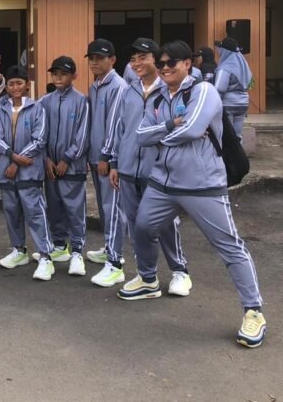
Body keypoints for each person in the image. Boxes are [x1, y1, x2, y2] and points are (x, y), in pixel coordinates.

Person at [120, 40, 266, 348]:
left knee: (229, 246)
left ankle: (253, 311)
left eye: (172, 62)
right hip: (162, 183)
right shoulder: (159, 97)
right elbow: (141, 136)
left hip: (203, 185)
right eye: (161, 64)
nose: (165, 68)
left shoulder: (204, 91)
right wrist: (170, 125)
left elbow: (193, 128)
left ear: (188, 63)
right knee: (142, 227)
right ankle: (148, 279)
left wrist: (164, 135)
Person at [105, 39, 191, 297]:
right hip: (128, 169)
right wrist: (114, 162)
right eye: (133, 59)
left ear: (157, 59)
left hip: (159, 170)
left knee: (165, 223)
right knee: (136, 225)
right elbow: (119, 128)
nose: (136, 64)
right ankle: (147, 276)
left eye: (143, 57)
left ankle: (180, 271)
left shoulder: (170, 90)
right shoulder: (128, 90)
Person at [0, 66, 54, 281]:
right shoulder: (1, 110)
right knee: (11, 211)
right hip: (6, 170)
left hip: (30, 170)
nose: (15, 87)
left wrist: (18, 162)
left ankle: (45, 256)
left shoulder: (37, 108)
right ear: (7, 87)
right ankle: (18, 250)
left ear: (27, 85)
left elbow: (40, 139)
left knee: (35, 212)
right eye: (11, 84)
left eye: (19, 83)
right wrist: (13, 157)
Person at [37, 56, 90, 276]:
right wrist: (46, 159)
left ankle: (77, 251)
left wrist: (67, 159)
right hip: (51, 167)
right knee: (54, 206)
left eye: (64, 74)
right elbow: (39, 134)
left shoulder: (81, 101)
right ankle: (60, 245)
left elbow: (83, 135)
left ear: (74, 76)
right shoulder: (44, 102)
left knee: (75, 210)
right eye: (55, 73)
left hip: (72, 167)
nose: (58, 77)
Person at [85, 38, 128, 287]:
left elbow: (115, 125)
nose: (94, 62)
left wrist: (107, 157)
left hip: (107, 159)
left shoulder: (118, 86)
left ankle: (115, 262)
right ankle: (109, 247)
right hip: (94, 157)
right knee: (104, 207)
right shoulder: (95, 86)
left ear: (112, 60)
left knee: (113, 209)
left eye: (99, 58)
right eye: (91, 58)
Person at [214, 37, 252, 140]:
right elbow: (249, 83)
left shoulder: (225, 68)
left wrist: (213, 105)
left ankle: (230, 151)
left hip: (228, 104)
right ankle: (239, 150)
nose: (219, 51)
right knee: (237, 135)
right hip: (243, 103)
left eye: (221, 49)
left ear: (225, 51)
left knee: (228, 136)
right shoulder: (243, 65)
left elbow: (219, 89)